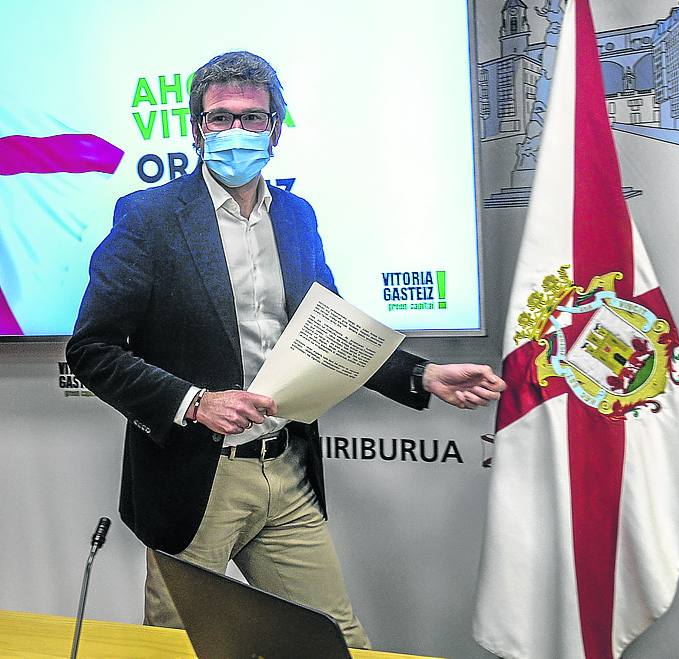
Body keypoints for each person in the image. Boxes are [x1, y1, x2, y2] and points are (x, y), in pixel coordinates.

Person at [66, 50, 505, 649]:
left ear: (275, 129)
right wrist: (195, 403)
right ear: (197, 130)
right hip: (196, 476)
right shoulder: (150, 218)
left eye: (252, 118)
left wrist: (421, 375)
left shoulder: (296, 217)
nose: (236, 132)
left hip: (286, 469)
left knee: (336, 641)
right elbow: (92, 349)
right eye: (220, 118)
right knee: (179, 646)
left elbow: (333, 335)